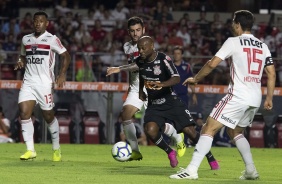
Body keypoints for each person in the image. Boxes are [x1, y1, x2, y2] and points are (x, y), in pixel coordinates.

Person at [169, 10, 276, 180]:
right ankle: (251, 170)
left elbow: (212, 64)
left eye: (234, 22)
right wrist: (269, 98)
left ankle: (191, 170)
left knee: (208, 128)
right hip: (255, 98)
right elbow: (271, 73)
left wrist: (196, 78)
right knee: (234, 132)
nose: (232, 25)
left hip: (238, 96)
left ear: (238, 25)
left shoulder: (233, 42)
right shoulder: (263, 46)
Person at [106, 16, 186, 161]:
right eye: (132, 31)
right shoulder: (127, 47)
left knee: (157, 125)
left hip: (153, 87)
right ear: (128, 32)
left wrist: (119, 69)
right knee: (125, 115)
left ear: (144, 29)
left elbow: (140, 65)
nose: (135, 34)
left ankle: (177, 137)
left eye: (138, 30)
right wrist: (131, 87)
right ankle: (135, 151)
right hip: (137, 88)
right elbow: (135, 68)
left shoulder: (147, 46)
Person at [135, 36, 218, 168]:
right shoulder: (139, 61)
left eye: (143, 48)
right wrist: (140, 91)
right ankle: (170, 152)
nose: (140, 51)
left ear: (151, 46)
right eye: (138, 48)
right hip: (154, 104)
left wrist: (162, 84)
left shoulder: (164, 59)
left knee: (190, 131)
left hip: (170, 101)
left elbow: (176, 78)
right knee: (150, 130)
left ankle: (210, 156)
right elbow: (140, 74)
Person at [14, 11, 71, 161]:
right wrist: (20, 60)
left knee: (48, 116)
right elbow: (22, 55)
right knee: (24, 113)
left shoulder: (52, 39)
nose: (38, 23)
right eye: (35, 21)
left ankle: (56, 148)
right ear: (32, 23)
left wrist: (62, 74)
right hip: (28, 82)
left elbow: (66, 55)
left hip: (44, 83)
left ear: (47, 23)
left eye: (41, 21)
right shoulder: (26, 39)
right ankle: (30, 150)